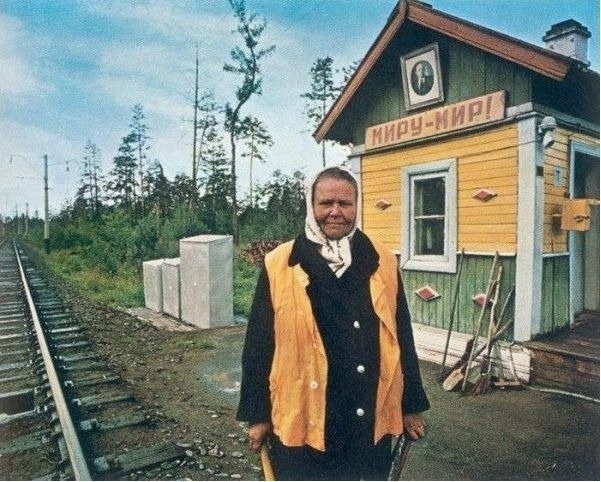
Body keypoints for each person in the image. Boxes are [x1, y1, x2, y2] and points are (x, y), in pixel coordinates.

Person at [237, 166, 430, 480]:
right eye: (326, 203)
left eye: (345, 203)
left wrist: (410, 406)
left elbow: (400, 336)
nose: (336, 212)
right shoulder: (280, 263)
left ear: (357, 206)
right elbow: (259, 346)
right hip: (302, 416)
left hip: (365, 418)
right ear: (312, 207)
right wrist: (258, 416)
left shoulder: (381, 259)